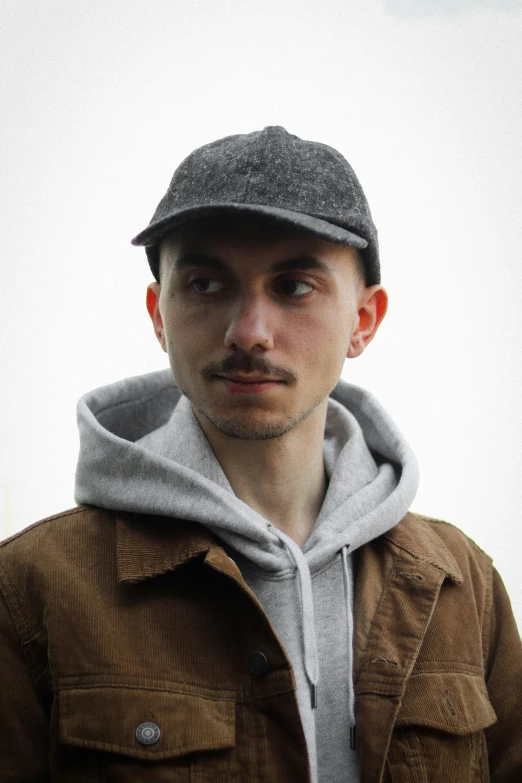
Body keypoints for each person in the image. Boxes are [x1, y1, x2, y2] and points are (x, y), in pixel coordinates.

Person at [0, 126, 520, 783]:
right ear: (159, 312)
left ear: (364, 319)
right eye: (208, 284)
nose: (250, 331)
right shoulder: (29, 590)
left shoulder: (462, 586)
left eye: (295, 286)